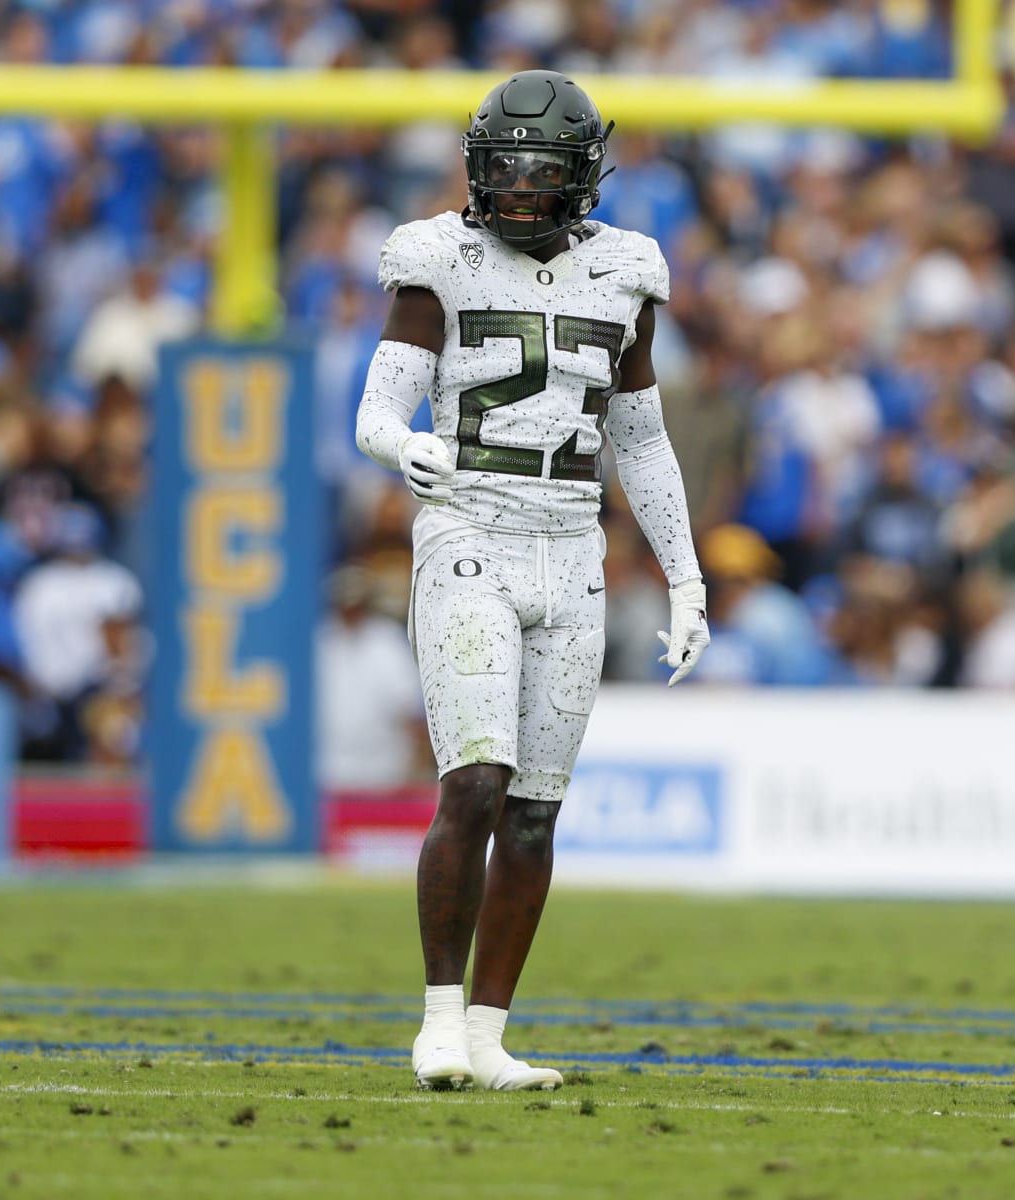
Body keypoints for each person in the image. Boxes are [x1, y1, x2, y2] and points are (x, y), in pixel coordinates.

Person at [354, 70, 708, 1092]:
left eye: (536, 169)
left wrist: (685, 579)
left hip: (572, 545)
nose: (513, 187)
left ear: (582, 177)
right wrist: (398, 448)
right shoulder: (439, 259)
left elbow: (640, 441)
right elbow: (376, 407)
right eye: (500, 165)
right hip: (469, 528)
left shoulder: (627, 273)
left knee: (537, 810)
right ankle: (435, 1016)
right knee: (473, 783)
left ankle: (488, 1035)